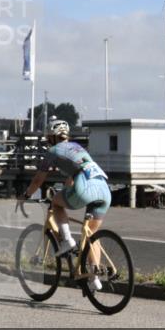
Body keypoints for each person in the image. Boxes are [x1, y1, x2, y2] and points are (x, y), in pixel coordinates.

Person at [18, 119, 111, 291]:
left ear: (52, 137)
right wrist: (66, 190)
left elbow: (39, 179)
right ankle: (94, 277)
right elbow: (72, 176)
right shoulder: (78, 148)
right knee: (92, 234)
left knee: (56, 203)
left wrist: (25, 195)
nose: (47, 140)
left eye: (48, 137)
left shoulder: (53, 151)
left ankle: (67, 240)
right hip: (104, 188)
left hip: (85, 187)